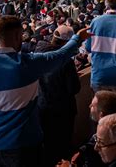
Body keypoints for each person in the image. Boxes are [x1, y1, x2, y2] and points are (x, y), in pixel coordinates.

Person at [0, 15, 91, 167]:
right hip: (26, 144)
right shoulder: (28, 63)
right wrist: (77, 38)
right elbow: (60, 55)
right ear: (17, 35)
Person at [34, 25, 81, 167]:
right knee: (63, 146)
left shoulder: (36, 56)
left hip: (42, 108)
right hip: (63, 110)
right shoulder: (65, 61)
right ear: (66, 44)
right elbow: (74, 88)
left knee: (48, 146)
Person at [68, 90, 116, 167]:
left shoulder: (100, 148)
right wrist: (82, 150)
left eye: (93, 106)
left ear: (101, 114)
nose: (89, 106)